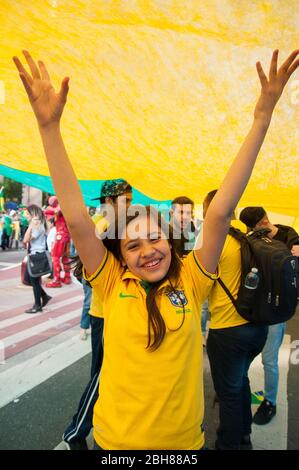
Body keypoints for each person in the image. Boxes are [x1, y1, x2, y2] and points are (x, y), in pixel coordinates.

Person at [13, 48, 299, 450]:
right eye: (132, 245)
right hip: (114, 446)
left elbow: (219, 215)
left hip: (183, 447)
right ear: (121, 255)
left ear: (170, 241)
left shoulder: (193, 278)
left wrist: (262, 118)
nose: (147, 250)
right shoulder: (112, 281)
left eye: (155, 238)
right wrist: (49, 129)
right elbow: (78, 220)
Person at [63, 179, 133, 448]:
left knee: (106, 375)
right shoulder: (105, 227)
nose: (130, 205)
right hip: (106, 314)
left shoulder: (109, 223)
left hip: (110, 311)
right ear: (113, 201)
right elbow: (88, 275)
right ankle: (75, 432)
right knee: (102, 376)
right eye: (126, 200)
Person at [202, 190, 267, 450]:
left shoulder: (214, 242)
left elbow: (199, 286)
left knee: (228, 393)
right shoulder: (246, 238)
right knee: (240, 381)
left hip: (228, 332)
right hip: (257, 329)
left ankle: (227, 444)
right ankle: (244, 435)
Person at [239, 206, 299, 425]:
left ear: (264, 221)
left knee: (269, 360)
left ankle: (270, 402)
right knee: (247, 353)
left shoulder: (288, 236)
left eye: (256, 226)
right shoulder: (249, 240)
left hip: (276, 310)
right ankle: (239, 387)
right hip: (255, 309)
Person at [22, 204, 52, 313]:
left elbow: (25, 240)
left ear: (33, 214)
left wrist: (30, 225)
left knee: (33, 280)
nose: (26, 216)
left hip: (37, 256)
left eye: (28, 214)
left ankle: (37, 305)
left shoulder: (37, 225)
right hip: (34, 255)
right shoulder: (37, 224)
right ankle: (44, 296)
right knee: (30, 279)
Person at [44, 195, 72, 287]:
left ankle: (57, 280)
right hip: (67, 235)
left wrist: (51, 209)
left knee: (55, 257)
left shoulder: (59, 208)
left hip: (61, 235)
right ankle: (67, 277)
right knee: (65, 258)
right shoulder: (66, 207)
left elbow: (50, 211)